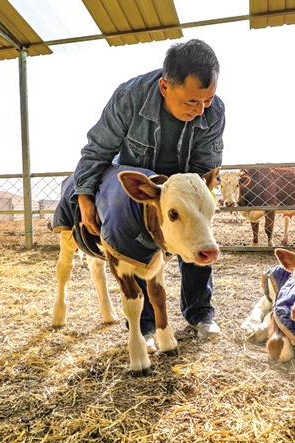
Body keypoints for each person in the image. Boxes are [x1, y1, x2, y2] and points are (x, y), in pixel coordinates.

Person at [71, 38, 225, 343]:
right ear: (165, 87)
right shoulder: (129, 97)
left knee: (194, 231)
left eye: (207, 99)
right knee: (136, 247)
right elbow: (98, 149)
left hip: (184, 180)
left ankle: (199, 311)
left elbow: (206, 164)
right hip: (136, 186)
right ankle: (144, 325)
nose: (200, 110)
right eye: (192, 102)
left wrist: (192, 202)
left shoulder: (214, 111)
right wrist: (85, 198)